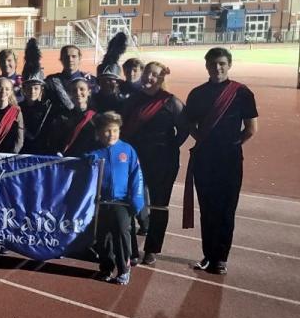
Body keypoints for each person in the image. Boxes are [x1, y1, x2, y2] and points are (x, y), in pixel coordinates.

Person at [183, 47, 258, 275]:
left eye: (222, 64)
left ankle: (221, 259)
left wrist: (231, 146)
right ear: (206, 66)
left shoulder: (242, 93)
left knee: (226, 210)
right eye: (213, 64)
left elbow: (251, 129)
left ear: (229, 65)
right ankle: (208, 255)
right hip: (205, 159)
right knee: (207, 209)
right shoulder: (197, 94)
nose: (217, 68)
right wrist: (204, 141)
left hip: (230, 161)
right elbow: (189, 125)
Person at [121, 61, 188, 266]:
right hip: (135, 161)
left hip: (163, 162)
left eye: (155, 75)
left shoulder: (171, 102)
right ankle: (131, 249)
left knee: (159, 206)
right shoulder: (132, 101)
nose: (149, 78)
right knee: (130, 204)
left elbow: (184, 129)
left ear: (161, 79)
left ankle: (152, 249)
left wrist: (169, 147)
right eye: (147, 73)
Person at [86, 111, 145, 285]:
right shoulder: (95, 153)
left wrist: (137, 199)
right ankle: (106, 267)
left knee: (121, 234)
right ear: (98, 133)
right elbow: (82, 171)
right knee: (103, 238)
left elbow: (136, 176)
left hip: (121, 202)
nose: (111, 134)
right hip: (101, 203)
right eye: (107, 131)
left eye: (115, 130)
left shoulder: (127, 150)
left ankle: (124, 269)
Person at [19, 38, 53, 154]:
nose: (32, 91)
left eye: (36, 88)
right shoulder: (18, 108)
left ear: (41, 89)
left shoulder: (47, 109)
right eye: (28, 88)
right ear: (23, 89)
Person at [52, 78, 99, 157]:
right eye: (74, 90)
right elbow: (56, 141)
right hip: (67, 161)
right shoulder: (63, 117)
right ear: (69, 94)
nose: (78, 93)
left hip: (87, 161)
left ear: (89, 92)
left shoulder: (96, 117)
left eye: (82, 89)